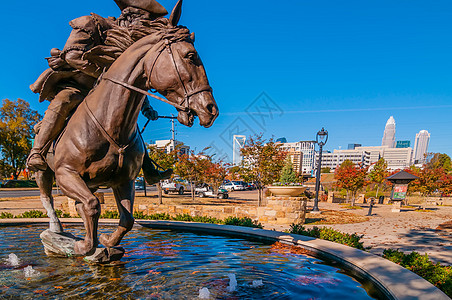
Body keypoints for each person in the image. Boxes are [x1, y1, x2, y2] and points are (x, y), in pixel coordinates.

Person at [28, 0, 172, 183]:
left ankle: (148, 167)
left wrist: (146, 107)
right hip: (79, 86)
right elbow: (72, 55)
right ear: (129, 17)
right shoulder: (91, 24)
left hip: (110, 95)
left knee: (125, 120)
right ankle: (37, 151)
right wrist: (104, 76)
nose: (144, 28)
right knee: (63, 100)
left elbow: (131, 80)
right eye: (143, 22)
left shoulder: (130, 45)